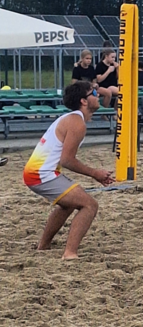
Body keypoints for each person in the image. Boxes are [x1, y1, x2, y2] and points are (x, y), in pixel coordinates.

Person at [23, 81, 115, 260]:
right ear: (83, 101)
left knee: (69, 203)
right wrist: (95, 173)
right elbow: (67, 160)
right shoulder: (76, 123)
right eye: (93, 93)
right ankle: (70, 253)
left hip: (37, 172)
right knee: (89, 205)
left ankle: (43, 246)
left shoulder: (72, 119)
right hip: (40, 174)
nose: (98, 95)